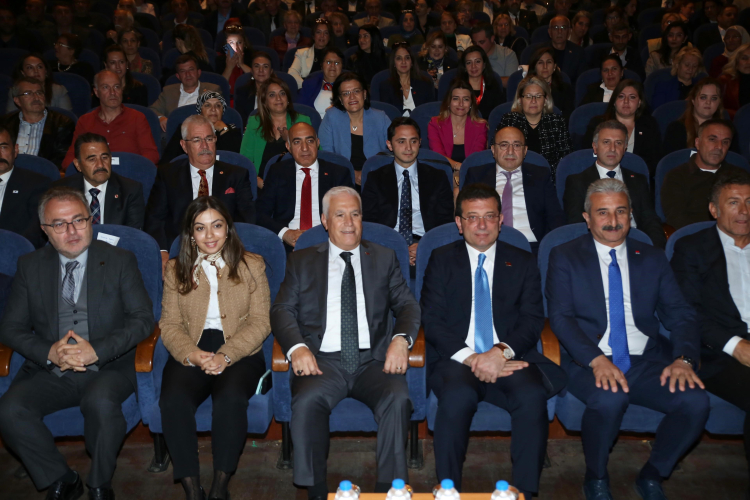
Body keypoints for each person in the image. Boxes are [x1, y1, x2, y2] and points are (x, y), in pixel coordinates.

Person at [546, 177, 710, 500]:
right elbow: (561, 318)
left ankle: (653, 474)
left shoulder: (652, 257)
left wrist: (684, 358)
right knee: (610, 398)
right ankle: (596, 476)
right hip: (589, 359)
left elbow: (681, 314)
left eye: (620, 211)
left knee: (695, 401)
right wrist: (596, 360)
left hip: (646, 359)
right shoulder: (564, 256)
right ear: (587, 218)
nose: (613, 220)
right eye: (603, 212)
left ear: (631, 214)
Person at [0, 186, 154, 500]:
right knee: (10, 410)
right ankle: (62, 477)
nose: (71, 231)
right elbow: (11, 328)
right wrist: (49, 352)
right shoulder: (30, 266)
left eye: (79, 220)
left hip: (109, 365)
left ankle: (99, 484)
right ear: (45, 230)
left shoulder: (120, 260)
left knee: (100, 402)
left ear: (90, 220)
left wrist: (97, 350)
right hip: (51, 370)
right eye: (59, 224)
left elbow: (142, 320)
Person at [271, 185, 421, 500]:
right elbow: (282, 310)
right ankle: (315, 490)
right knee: (307, 401)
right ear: (325, 221)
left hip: (374, 361)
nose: (349, 222)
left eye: (355, 214)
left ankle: (388, 490)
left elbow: (407, 306)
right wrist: (297, 348)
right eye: (340, 215)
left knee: (397, 398)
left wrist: (400, 340)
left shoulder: (383, 257)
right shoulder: (302, 261)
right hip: (322, 361)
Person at [422, 182, 566, 498]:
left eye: (489, 216)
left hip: (509, 356)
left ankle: (524, 491)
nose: (482, 225)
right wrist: (475, 358)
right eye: (472, 217)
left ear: (501, 220)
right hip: (458, 359)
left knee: (531, 395)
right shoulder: (441, 259)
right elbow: (432, 321)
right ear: (459, 223)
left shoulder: (523, 260)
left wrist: (500, 352)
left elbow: (532, 319)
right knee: (456, 397)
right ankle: (449, 490)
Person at [159, 196, 270, 500]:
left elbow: (261, 322)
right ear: (190, 234)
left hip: (241, 348)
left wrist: (226, 354)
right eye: (200, 228)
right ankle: (192, 490)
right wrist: (191, 354)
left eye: (216, 226)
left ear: (228, 228)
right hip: (192, 346)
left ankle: (220, 488)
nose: (209, 235)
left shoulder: (252, 265)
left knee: (230, 398)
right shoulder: (175, 269)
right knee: (173, 400)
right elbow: (169, 324)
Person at [670, 171, 750, 500]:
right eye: (734, 203)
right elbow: (687, 312)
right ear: (714, 209)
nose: (744, 210)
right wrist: (736, 346)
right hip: (719, 353)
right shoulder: (692, 249)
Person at [145, 115, 256, 266]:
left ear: (215, 140)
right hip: (180, 251)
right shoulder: (168, 175)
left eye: (209, 139)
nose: (205, 146)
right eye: (197, 140)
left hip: (225, 249)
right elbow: (154, 218)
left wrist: (231, 249)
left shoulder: (236, 175)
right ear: (184, 146)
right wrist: (162, 252)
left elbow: (247, 218)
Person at [362, 117, 454, 272]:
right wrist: (398, 247)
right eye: (401, 141)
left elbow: (445, 222)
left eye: (413, 141)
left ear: (420, 143)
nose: (408, 147)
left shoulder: (437, 177)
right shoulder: (376, 178)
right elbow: (369, 222)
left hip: (427, 243)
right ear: (389, 145)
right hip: (387, 246)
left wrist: (425, 245)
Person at [564, 120, 666, 248]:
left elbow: (650, 221)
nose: (612, 149)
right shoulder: (577, 182)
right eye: (606, 142)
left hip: (636, 245)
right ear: (595, 147)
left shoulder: (638, 180)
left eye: (618, 143)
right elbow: (577, 226)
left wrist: (656, 250)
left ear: (624, 148)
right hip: (598, 245)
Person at [463, 126, 564, 253]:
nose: (510, 151)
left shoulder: (540, 176)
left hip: (532, 248)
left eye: (517, 145)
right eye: (504, 145)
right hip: (489, 245)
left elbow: (555, 217)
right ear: (493, 150)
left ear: (525, 150)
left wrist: (549, 248)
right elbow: (466, 215)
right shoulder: (477, 175)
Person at [256, 122, 354, 251]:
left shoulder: (338, 173)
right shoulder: (277, 172)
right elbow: (260, 213)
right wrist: (285, 233)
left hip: (328, 242)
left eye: (310, 141)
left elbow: (350, 214)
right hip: (288, 244)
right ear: (288, 147)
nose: (305, 148)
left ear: (317, 143)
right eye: (297, 142)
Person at [62, 70, 159, 168]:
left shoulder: (137, 118)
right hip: (94, 174)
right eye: (106, 87)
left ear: (122, 90)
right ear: (96, 92)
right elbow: (70, 159)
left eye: (116, 87)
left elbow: (151, 154)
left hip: (129, 173)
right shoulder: (85, 121)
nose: (113, 92)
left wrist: (132, 169)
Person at [661, 118, 746, 230]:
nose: (719, 147)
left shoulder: (740, 176)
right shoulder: (677, 176)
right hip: (696, 236)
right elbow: (677, 219)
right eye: (712, 139)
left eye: (725, 142)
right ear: (697, 143)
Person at [53, 132, 146, 229]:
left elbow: (132, 234)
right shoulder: (60, 191)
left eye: (104, 157)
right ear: (78, 165)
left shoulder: (130, 191)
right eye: (92, 159)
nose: (100, 165)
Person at [319, 72, 391, 185]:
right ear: (340, 99)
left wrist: (368, 173)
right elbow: (328, 155)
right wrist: (352, 173)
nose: (352, 97)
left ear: (364, 94)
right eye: (346, 93)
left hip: (377, 177)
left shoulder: (380, 118)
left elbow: (390, 152)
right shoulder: (331, 117)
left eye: (356, 91)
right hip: (341, 177)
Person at [583, 80, 662, 178]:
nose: (626, 101)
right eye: (621, 96)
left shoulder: (649, 125)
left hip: (637, 178)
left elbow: (654, 161)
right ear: (614, 101)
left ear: (639, 103)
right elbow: (587, 156)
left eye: (632, 97)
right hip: (602, 177)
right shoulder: (598, 124)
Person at [241, 76, 313, 186]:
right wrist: (256, 180)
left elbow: (314, 155)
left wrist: (291, 139)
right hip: (262, 183)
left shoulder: (302, 121)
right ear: (265, 101)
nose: (278, 98)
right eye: (272, 95)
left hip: (295, 182)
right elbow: (245, 159)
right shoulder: (255, 122)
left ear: (287, 99)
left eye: (282, 93)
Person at [498, 75, 572, 179]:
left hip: (548, 179)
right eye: (528, 96)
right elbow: (497, 152)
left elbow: (565, 159)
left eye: (538, 96)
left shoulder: (556, 122)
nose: (533, 101)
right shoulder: (509, 121)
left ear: (545, 100)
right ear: (520, 100)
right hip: (514, 177)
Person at [1, 76, 75, 169]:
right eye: (28, 93)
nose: (36, 97)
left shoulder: (62, 123)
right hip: (9, 173)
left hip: (44, 174)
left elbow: (61, 160)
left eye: (39, 93)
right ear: (17, 100)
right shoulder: (5, 123)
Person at [0, 124, 51, 247]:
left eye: (3, 147)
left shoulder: (36, 184)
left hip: (15, 251)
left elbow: (34, 232)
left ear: (15, 150)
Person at [662, 77, 739, 155]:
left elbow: (734, 159)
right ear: (693, 100)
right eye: (703, 97)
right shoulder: (677, 129)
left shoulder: (728, 129)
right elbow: (671, 160)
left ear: (719, 102)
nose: (708, 102)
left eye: (714, 98)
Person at [162, 90, 242, 165]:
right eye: (207, 105)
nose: (213, 109)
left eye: (218, 106)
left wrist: (224, 130)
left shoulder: (231, 130)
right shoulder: (186, 128)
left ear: (222, 110)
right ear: (200, 110)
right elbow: (168, 160)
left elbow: (238, 160)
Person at [428, 79, 488, 176]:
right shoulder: (435, 124)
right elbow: (439, 157)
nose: (461, 104)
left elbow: (476, 159)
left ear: (471, 104)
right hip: (442, 173)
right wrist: (458, 167)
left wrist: (462, 172)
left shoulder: (480, 126)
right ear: (449, 102)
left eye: (466, 99)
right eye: (456, 98)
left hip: (471, 174)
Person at [150, 54, 222, 133]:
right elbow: (153, 110)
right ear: (178, 76)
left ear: (198, 72)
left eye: (191, 70)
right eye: (183, 71)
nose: (188, 74)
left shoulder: (212, 90)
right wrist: (161, 118)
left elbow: (218, 114)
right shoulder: (168, 91)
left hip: (203, 132)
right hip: (175, 133)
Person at [378, 42, 435, 116]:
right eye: (399, 58)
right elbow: (387, 115)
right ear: (394, 63)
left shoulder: (425, 84)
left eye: (407, 58)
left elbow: (430, 113)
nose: (403, 62)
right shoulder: (386, 86)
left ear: (412, 62)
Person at [6, 54, 72, 114]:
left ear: (45, 71)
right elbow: (10, 118)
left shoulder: (58, 90)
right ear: (23, 73)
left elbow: (67, 117)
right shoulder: (15, 91)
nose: (36, 71)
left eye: (39, 67)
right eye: (30, 67)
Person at [455, 45, 505, 121]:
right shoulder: (457, 88)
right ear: (464, 67)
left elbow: (499, 116)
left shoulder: (493, 87)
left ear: (484, 64)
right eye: (469, 63)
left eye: (477, 61)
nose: (473, 66)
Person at [527, 45, 575, 119]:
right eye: (540, 63)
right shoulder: (526, 89)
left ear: (554, 66)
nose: (545, 66)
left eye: (549, 62)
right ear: (534, 67)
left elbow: (568, 118)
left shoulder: (566, 89)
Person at [298, 47, 345, 119]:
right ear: (322, 65)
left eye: (337, 63)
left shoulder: (349, 85)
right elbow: (300, 108)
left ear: (342, 66)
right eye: (328, 62)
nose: (332, 65)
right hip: (312, 122)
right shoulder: (310, 83)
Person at [289, 18, 334, 87]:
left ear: (329, 37)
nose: (322, 36)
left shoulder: (335, 56)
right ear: (313, 36)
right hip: (306, 88)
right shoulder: (301, 53)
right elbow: (292, 72)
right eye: (318, 32)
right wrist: (307, 85)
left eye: (326, 33)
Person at [215, 25, 254, 104]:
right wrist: (229, 68)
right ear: (226, 45)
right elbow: (218, 88)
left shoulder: (251, 57)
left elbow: (257, 79)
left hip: (248, 98)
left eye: (239, 42)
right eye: (231, 43)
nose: (236, 47)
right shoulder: (220, 60)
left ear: (244, 44)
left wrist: (242, 65)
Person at [234, 52, 275, 124]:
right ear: (252, 71)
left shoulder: (279, 92)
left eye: (265, 66)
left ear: (271, 71)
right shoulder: (243, 92)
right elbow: (241, 121)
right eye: (257, 66)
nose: (261, 70)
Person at [546, 15, 586, 82]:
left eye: (563, 27)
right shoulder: (540, 51)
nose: (559, 31)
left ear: (569, 32)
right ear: (550, 32)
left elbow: (581, 80)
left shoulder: (578, 52)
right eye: (556, 27)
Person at [718, 43, 750, 119]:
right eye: (744, 58)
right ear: (736, 62)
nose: (749, 62)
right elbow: (717, 108)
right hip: (733, 122)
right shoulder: (724, 81)